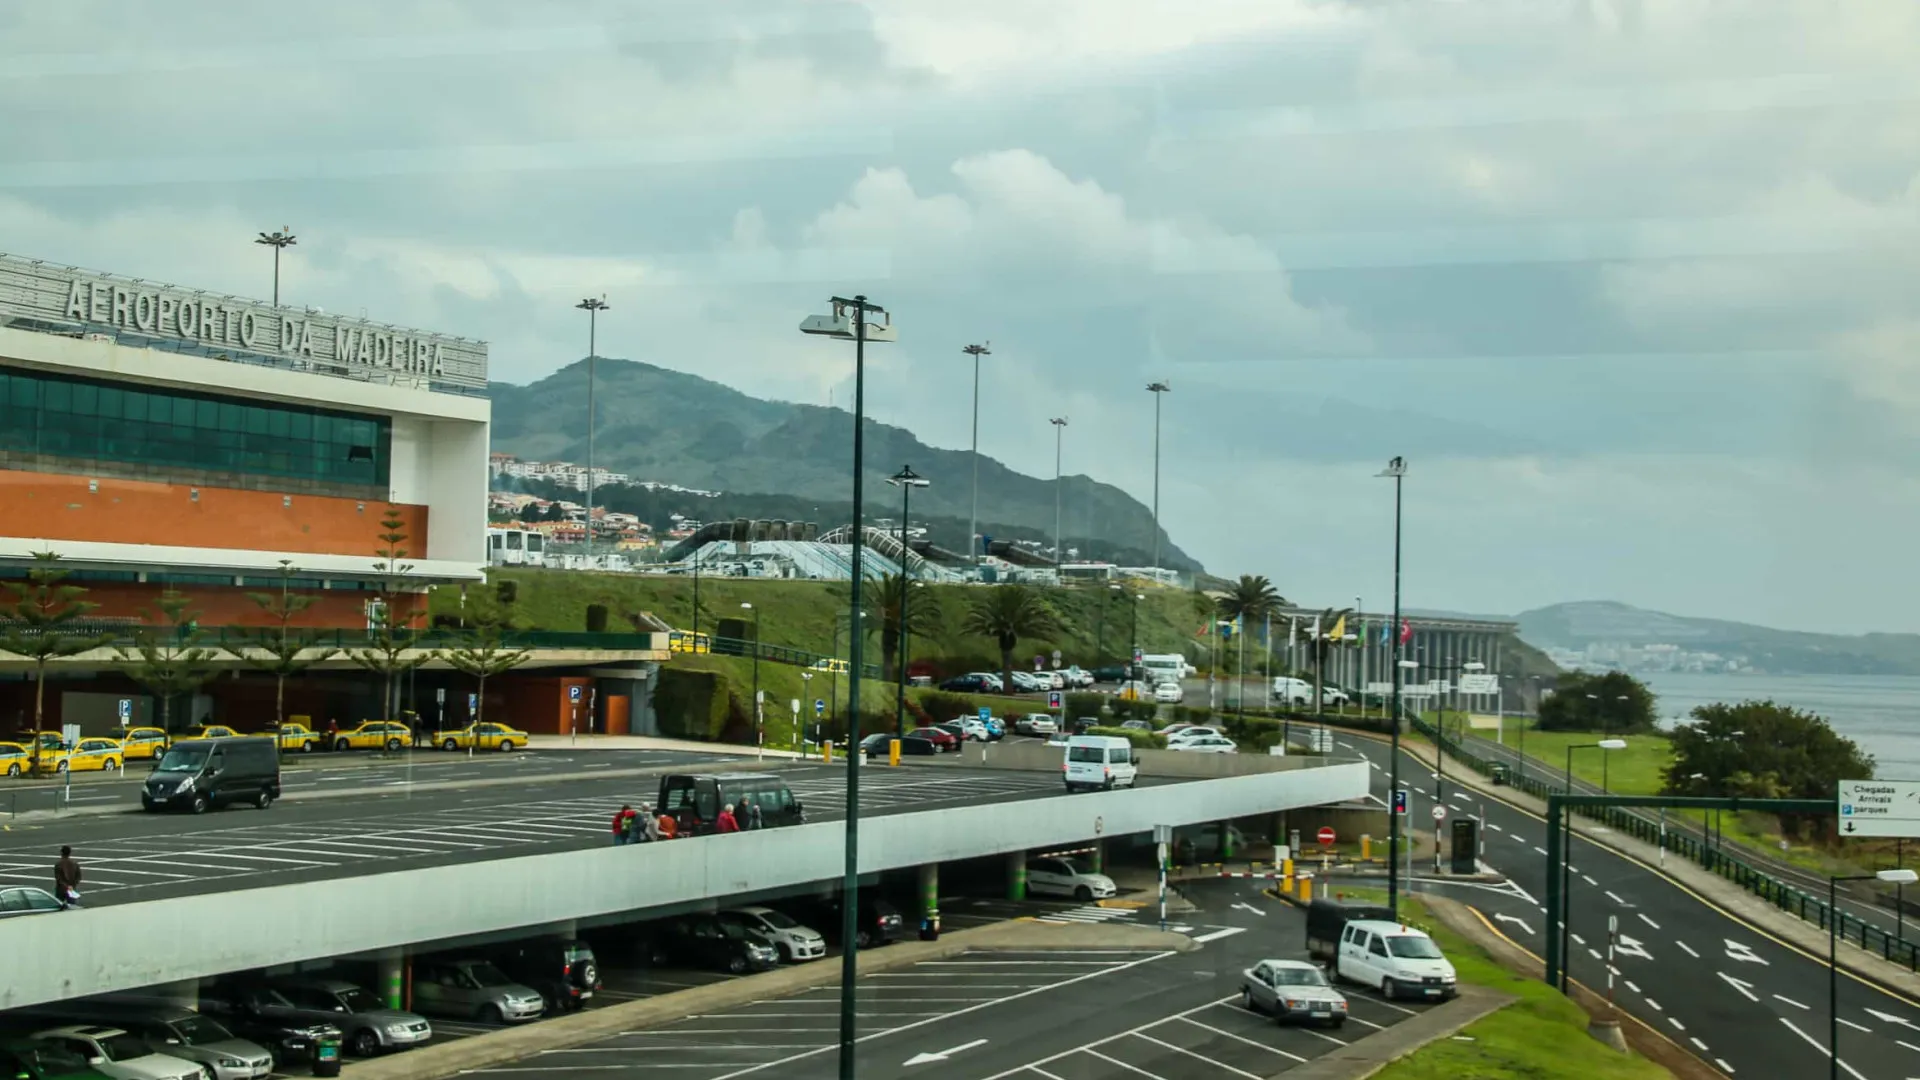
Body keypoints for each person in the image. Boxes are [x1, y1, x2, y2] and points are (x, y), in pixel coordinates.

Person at [53, 846, 81, 910]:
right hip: (71, 890)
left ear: (61, 853)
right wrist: (72, 886)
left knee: (58, 907)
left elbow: (58, 878)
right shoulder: (75, 864)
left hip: (61, 890)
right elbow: (78, 877)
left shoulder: (58, 864)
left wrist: (66, 886)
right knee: (72, 907)